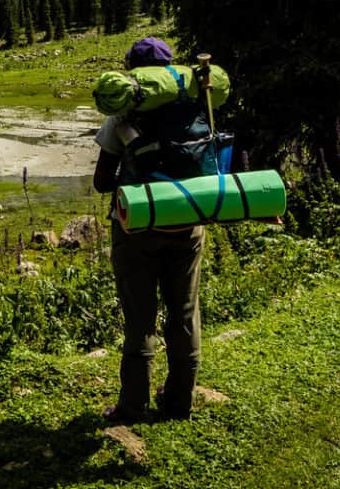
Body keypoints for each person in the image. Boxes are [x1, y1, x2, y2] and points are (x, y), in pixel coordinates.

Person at [93, 37, 205, 423]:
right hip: (189, 220)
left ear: (133, 71)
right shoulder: (194, 105)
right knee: (184, 313)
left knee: (140, 317)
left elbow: (102, 181)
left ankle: (133, 406)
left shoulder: (123, 112)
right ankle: (179, 401)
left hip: (136, 227)